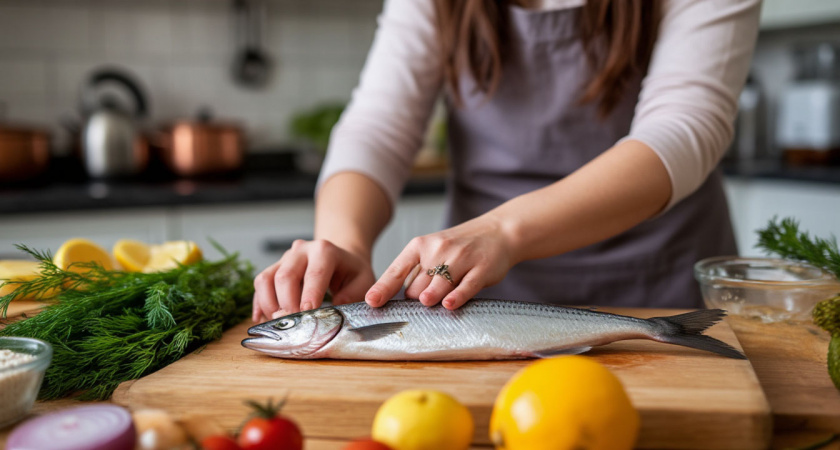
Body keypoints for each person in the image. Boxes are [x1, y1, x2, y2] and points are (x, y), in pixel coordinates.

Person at [252, 0, 761, 322]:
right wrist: (343, 243)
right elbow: (378, 126)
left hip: (659, 282)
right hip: (480, 296)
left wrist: (505, 232)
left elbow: (682, 130)